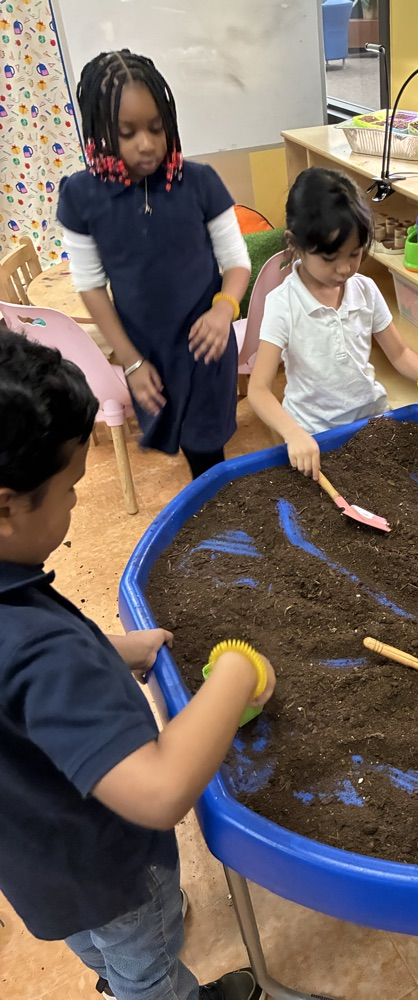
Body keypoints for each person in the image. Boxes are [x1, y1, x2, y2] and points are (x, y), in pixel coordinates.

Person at [0, 325, 274, 999]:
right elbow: (157, 790)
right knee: (145, 965)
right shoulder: (39, 648)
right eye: (69, 490)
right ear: (6, 509)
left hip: (32, 858)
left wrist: (110, 651)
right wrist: (238, 670)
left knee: (100, 945)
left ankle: (115, 974)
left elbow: (21, 697)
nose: (73, 505)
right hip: (109, 867)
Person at [57, 49, 251, 480]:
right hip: (146, 353)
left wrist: (224, 309)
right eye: (126, 132)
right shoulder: (81, 196)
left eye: (156, 127)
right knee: (176, 437)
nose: (146, 143)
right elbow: (90, 285)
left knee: (207, 454)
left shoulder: (200, 183)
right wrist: (130, 360)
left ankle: (214, 511)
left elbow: (236, 262)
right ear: (99, 132)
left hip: (207, 349)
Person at [247, 166, 418, 479]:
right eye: (330, 258)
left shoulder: (365, 290)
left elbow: (399, 353)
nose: (344, 269)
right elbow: (258, 390)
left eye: (355, 254)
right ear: (295, 243)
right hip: (314, 436)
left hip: (372, 422)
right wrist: (293, 434)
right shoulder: (283, 304)